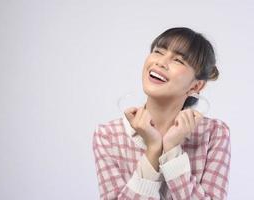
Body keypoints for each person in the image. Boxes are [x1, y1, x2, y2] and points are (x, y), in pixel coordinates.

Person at [92, 27, 231, 199]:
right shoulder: (108, 135)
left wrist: (172, 149)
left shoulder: (214, 133)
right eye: (158, 51)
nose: (160, 62)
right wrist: (153, 150)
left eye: (178, 60)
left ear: (196, 86)